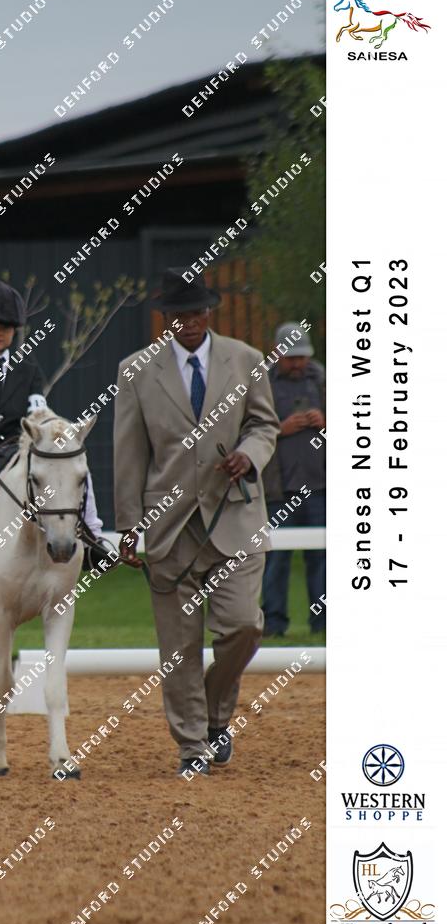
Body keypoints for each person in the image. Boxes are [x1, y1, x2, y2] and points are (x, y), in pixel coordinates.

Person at [114, 269, 278, 777]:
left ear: (210, 313)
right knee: (179, 646)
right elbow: (129, 453)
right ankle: (191, 745)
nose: (189, 322)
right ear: (166, 318)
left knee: (244, 626)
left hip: (236, 515)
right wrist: (128, 525)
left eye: (197, 313)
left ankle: (213, 715)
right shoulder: (135, 370)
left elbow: (264, 424)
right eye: (178, 315)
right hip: (170, 526)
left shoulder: (246, 360)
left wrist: (250, 455)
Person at [0, 280, 105, 586]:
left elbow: (37, 407)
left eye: (6, 327)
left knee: (78, 473)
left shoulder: (28, 371)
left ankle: (94, 538)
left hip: (20, 450)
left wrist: (48, 424)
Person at [261, 322, 326, 637]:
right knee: (276, 559)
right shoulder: (261, 383)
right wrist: (279, 429)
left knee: (322, 558)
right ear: (277, 354)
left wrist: (324, 422)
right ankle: (274, 623)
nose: (298, 363)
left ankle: (323, 622)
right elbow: (245, 430)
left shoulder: (323, 380)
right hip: (279, 492)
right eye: (291, 358)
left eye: (302, 357)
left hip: (320, 489)